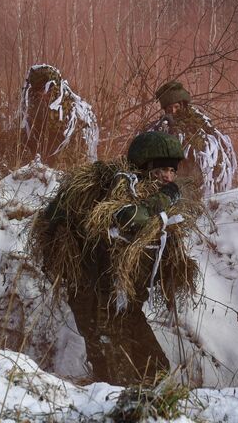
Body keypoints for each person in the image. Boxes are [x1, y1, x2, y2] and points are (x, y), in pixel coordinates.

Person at [29, 131, 200, 386]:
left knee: (158, 372)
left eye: (172, 171)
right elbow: (127, 218)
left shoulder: (149, 197)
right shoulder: (118, 188)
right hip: (96, 305)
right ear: (146, 167)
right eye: (163, 169)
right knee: (115, 384)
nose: (168, 176)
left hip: (126, 309)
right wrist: (164, 198)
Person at [145, 81, 237, 196]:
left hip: (194, 179)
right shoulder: (160, 125)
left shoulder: (198, 123)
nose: (173, 111)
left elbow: (202, 149)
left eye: (176, 107)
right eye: (169, 108)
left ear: (183, 105)